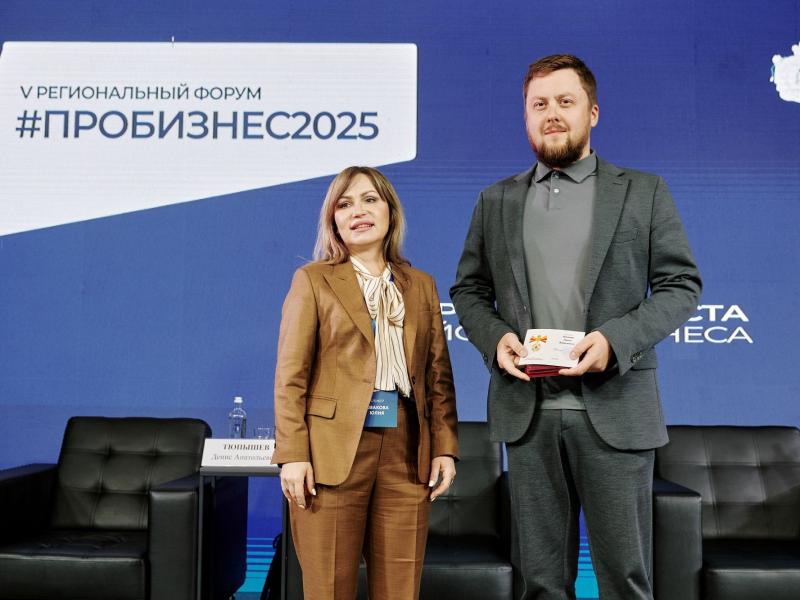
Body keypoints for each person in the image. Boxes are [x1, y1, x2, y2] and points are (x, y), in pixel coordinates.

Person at [450, 54, 701, 600]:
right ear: (525, 116)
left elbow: (681, 285)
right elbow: (469, 291)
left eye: (565, 101)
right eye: (539, 104)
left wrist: (615, 341)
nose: (552, 114)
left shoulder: (643, 191)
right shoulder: (495, 201)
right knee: (540, 584)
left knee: (626, 581)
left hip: (616, 410)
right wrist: (496, 341)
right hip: (528, 414)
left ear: (593, 112)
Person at [273, 166, 459, 600]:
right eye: (345, 204)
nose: (358, 211)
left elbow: (438, 377)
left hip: (406, 451)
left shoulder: (421, 285)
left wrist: (445, 446)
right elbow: (290, 376)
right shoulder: (313, 280)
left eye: (370, 200)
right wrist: (293, 455)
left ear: (390, 212)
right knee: (329, 589)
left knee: (400, 588)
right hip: (331, 453)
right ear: (333, 221)